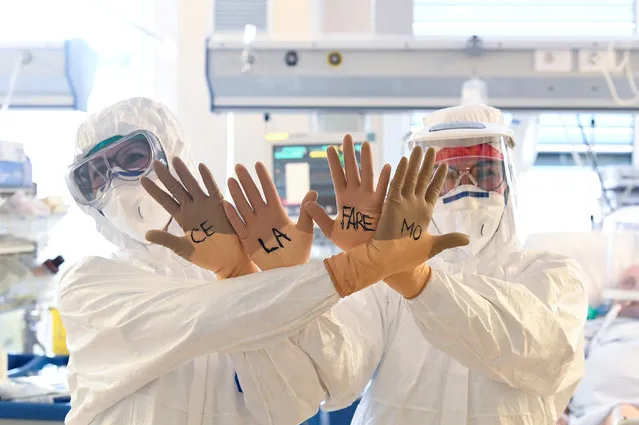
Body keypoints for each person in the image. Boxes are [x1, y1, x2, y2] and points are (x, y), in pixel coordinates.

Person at [169, 104, 586, 425]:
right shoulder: (383, 281)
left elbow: (539, 355)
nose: (465, 189)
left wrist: (420, 281)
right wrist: (290, 284)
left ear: (509, 179)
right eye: (446, 177)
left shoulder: (551, 274)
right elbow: (338, 376)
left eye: (483, 173)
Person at [58, 97, 466, 425]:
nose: (112, 183)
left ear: (174, 156)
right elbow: (208, 318)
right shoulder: (89, 282)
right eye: (92, 176)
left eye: (132, 159)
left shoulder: (233, 278)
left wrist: (265, 275)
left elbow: (292, 406)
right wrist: (356, 267)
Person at [561, 265, 639, 425]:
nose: (637, 288)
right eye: (629, 283)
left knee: (623, 412)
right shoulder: (595, 327)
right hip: (591, 411)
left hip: (631, 405)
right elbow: (561, 364)